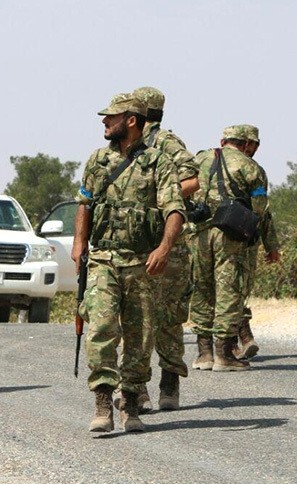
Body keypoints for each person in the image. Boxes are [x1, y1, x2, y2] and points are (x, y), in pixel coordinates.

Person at [72, 93, 185, 432]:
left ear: (131, 120)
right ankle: (103, 402)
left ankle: (131, 400)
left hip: (141, 264)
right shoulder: (97, 160)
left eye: (111, 117)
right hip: (104, 259)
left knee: (141, 336)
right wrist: (79, 242)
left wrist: (164, 248)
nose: (104, 122)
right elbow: (85, 204)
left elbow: (174, 210)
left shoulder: (158, 162)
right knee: (102, 330)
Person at [129, 86, 200, 411]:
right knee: (135, 317)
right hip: (134, 246)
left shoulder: (166, 142)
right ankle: (136, 387)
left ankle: (169, 383)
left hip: (168, 245)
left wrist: (160, 201)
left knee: (169, 316)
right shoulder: (125, 145)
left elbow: (194, 180)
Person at [189, 125, 272, 372]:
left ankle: (203, 353)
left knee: (201, 289)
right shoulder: (250, 167)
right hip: (229, 234)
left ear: (223, 140)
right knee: (228, 290)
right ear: (246, 144)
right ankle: (224, 354)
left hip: (198, 233)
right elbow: (260, 209)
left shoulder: (200, 158)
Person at [234, 124, 280, 359]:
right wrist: (271, 246)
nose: (253, 149)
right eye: (252, 144)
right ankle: (239, 340)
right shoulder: (254, 171)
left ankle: (234, 342)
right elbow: (262, 212)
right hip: (244, 237)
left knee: (225, 290)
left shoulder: (210, 164)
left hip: (211, 239)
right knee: (237, 289)